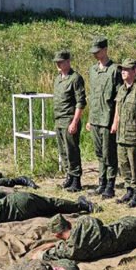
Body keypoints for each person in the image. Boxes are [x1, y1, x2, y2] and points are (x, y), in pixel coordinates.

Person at [41, 211, 136, 263]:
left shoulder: (71, 251)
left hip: (122, 246)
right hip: (122, 232)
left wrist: (49, 250)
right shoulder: (83, 223)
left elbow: (50, 254)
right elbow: (97, 222)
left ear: (57, 234)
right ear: (68, 223)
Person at [86, 37, 123, 198]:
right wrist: (89, 119)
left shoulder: (114, 70)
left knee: (110, 154)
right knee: (99, 153)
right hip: (95, 118)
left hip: (108, 119)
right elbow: (92, 96)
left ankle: (110, 185)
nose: (95, 55)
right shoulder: (93, 70)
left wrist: (116, 120)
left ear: (105, 49)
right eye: (94, 52)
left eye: (98, 51)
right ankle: (101, 183)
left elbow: (119, 98)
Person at [112, 59, 136, 207]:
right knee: (123, 164)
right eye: (122, 69)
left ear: (135, 71)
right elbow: (118, 109)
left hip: (134, 135)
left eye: (127, 69)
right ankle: (128, 190)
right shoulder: (121, 89)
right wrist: (115, 123)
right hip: (121, 135)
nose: (123, 72)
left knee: (135, 166)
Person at [0, 190, 93, 227]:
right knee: (51, 203)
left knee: (48, 211)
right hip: (17, 202)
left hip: (18, 217)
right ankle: (81, 206)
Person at [52, 50, 87, 192]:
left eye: (61, 62)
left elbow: (81, 102)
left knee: (72, 150)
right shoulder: (58, 78)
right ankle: (69, 176)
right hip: (59, 119)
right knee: (63, 151)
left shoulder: (75, 78)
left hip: (69, 119)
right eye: (57, 62)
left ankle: (76, 179)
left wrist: (74, 122)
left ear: (68, 61)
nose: (58, 65)